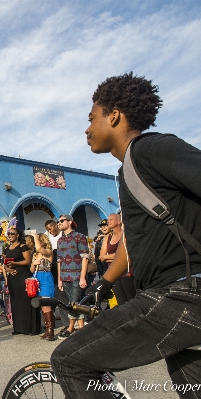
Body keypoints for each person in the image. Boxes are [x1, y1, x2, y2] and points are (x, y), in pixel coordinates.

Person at [51, 72, 201, 398]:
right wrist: (103, 283)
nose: (87, 128)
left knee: (69, 360)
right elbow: (132, 242)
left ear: (115, 115)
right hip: (182, 299)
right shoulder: (129, 170)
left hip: (181, 294)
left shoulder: (150, 150)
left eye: (92, 118)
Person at [56, 214, 89, 339]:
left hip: (76, 274)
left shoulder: (79, 237)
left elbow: (85, 258)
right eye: (58, 221)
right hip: (64, 275)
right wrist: (59, 278)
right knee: (72, 303)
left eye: (62, 221)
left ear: (70, 222)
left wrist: (82, 277)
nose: (59, 223)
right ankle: (81, 328)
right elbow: (59, 261)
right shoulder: (60, 240)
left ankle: (71, 328)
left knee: (74, 302)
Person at [3, 229, 40, 335]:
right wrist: (8, 269)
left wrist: (15, 263)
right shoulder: (6, 249)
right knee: (16, 302)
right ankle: (18, 328)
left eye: (12, 234)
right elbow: (5, 264)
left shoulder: (23, 247)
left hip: (23, 275)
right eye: (8, 234)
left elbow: (28, 261)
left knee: (26, 301)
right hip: (13, 277)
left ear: (18, 235)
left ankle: (32, 328)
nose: (10, 235)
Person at [100, 213, 135, 306]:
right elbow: (102, 257)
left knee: (132, 300)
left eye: (111, 219)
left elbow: (129, 253)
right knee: (121, 302)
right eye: (108, 220)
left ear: (119, 221)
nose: (108, 221)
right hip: (114, 275)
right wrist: (120, 256)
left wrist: (110, 257)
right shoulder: (107, 238)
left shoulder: (125, 235)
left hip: (128, 273)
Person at [31, 233, 56, 340]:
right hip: (37, 278)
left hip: (46, 278)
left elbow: (40, 248)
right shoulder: (35, 254)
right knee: (41, 305)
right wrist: (34, 263)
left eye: (39, 240)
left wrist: (35, 236)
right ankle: (47, 328)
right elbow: (31, 270)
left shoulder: (48, 252)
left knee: (46, 304)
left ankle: (51, 330)